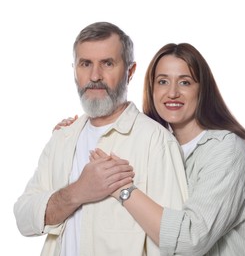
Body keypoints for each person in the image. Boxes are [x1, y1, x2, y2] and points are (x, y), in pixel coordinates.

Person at [57, 42, 245, 255]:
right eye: (163, 81)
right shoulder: (154, 144)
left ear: (202, 89)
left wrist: (121, 188)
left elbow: (190, 239)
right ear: (151, 88)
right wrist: (74, 133)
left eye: (185, 82)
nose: (172, 93)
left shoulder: (226, 150)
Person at [13, 22, 188, 256]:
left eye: (107, 63)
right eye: (86, 64)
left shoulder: (156, 142)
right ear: (74, 69)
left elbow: (176, 243)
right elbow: (24, 218)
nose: (95, 76)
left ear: (131, 71)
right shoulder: (62, 138)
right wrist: (78, 192)